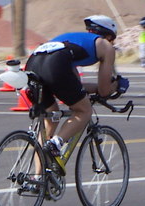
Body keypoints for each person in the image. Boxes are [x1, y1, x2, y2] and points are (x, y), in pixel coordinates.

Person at [25, 15, 129, 169]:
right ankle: (56, 143)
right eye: (112, 39)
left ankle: (37, 179)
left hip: (33, 63)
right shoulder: (105, 46)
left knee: (50, 120)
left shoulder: (72, 41)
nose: (112, 43)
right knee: (84, 111)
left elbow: (73, 86)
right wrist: (117, 85)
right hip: (55, 66)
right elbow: (104, 90)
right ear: (108, 36)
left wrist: (98, 90)